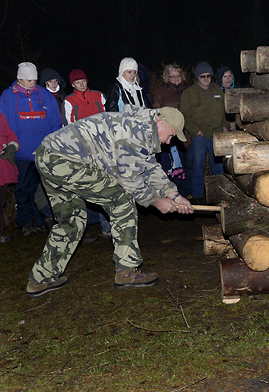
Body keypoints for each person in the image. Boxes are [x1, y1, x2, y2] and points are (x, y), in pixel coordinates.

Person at [26, 105, 194, 298]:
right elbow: (130, 180)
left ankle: (40, 279)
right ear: (160, 122)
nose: (169, 141)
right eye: (171, 135)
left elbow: (148, 166)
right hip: (66, 160)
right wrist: (157, 201)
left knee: (71, 220)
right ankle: (127, 271)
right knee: (122, 201)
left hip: (48, 156)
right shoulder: (136, 132)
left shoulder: (143, 129)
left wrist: (173, 194)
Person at [0, 62, 61, 236]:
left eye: (34, 80)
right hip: (21, 152)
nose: (32, 83)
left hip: (43, 150)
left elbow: (55, 119)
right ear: (19, 78)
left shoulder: (43, 94)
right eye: (28, 80)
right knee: (24, 189)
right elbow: (5, 123)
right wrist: (12, 144)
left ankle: (44, 220)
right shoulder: (8, 96)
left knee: (45, 187)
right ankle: (25, 223)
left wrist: (52, 142)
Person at [62, 69, 111, 239]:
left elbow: (108, 118)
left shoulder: (98, 96)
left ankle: (107, 226)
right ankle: (85, 228)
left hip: (102, 147)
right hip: (83, 150)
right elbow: (67, 127)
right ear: (72, 84)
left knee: (106, 185)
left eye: (83, 81)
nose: (81, 84)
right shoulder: (69, 101)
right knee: (88, 187)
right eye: (77, 82)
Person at [179, 62, 230, 204]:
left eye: (208, 76)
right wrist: (196, 130)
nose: (206, 79)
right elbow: (185, 115)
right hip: (200, 135)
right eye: (203, 76)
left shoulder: (217, 90)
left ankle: (217, 194)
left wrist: (225, 125)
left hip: (217, 134)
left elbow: (224, 111)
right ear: (197, 77)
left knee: (218, 167)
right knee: (198, 166)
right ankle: (197, 197)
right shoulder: (189, 93)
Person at [152, 64, 192, 196]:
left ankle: (187, 193)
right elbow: (157, 113)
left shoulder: (189, 90)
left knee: (188, 164)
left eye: (178, 75)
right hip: (170, 136)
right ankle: (173, 193)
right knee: (172, 166)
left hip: (187, 133)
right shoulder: (160, 93)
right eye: (172, 76)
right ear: (166, 77)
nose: (175, 78)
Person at [0, 112, 19, 243]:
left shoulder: (0, 116)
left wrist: (12, 145)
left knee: (1, 201)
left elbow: (9, 133)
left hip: (2, 167)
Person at [216, 66, 238, 131]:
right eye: (225, 76)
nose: (228, 79)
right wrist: (225, 124)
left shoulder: (238, 91)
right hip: (221, 126)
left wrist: (236, 123)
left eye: (230, 76)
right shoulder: (216, 92)